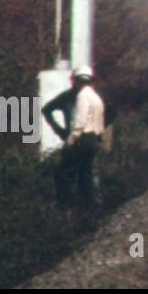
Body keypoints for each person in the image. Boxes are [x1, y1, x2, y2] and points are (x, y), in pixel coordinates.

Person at [43, 65, 106, 208]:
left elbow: (79, 123)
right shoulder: (96, 97)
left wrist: (69, 139)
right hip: (93, 140)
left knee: (63, 172)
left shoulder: (81, 97)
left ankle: (64, 206)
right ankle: (90, 209)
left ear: (76, 80)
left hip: (80, 140)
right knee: (87, 174)